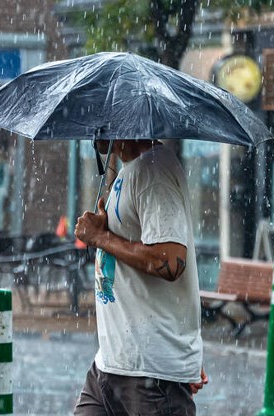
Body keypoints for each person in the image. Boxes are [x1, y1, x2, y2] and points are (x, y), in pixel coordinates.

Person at [73, 139, 207, 415]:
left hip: (150, 376)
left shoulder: (154, 172)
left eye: (100, 120)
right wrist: (104, 232)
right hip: (111, 365)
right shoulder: (131, 171)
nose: (93, 133)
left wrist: (101, 237)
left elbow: (169, 261)